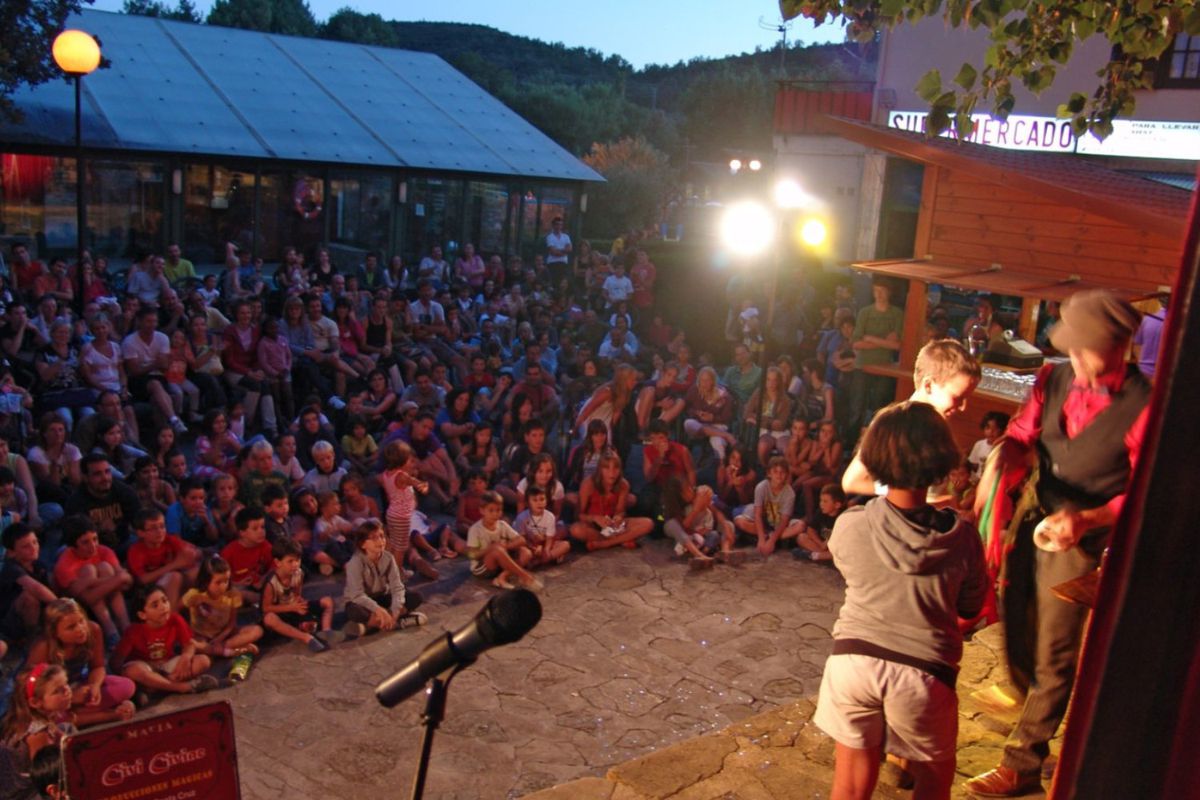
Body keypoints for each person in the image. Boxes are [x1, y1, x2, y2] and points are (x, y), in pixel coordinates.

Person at [965, 291, 1150, 797]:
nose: (1078, 359)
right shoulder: (1054, 378)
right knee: (1015, 609)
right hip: (1037, 511)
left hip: (1085, 538)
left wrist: (1089, 519)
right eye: (1073, 348)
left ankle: (1024, 761)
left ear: (1118, 347)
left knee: (1057, 648)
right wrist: (1003, 460)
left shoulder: (1143, 406)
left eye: (1087, 350)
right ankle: (1029, 695)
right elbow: (1023, 434)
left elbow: (1145, 492)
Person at [815, 401, 987, 800]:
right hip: (924, 674)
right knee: (934, 779)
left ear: (874, 456)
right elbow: (971, 606)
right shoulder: (961, 538)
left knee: (849, 786)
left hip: (853, 663)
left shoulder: (850, 525)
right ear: (940, 457)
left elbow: (852, 569)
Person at [842, 339, 982, 497]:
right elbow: (852, 482)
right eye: (957, 397)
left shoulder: (938, 424)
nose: (963, 407)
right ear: (929, 385)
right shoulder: (894, 425)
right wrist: (908, 496)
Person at [27, 598, 136, 726]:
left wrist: (94, 686)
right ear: (55, 633)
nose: (81, 628)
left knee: (126, 686)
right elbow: (34, 691)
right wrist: (70, 697)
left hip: (80, 685)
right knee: (49, 716)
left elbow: (97, 667)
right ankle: (112, 714)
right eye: (71, 627)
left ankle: (76, 716)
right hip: (53, 695)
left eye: (81, 621)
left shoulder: (93, 630)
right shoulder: (43, 648)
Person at [111, 585, 219, 695]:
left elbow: (189, 644)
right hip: (145, 668)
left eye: (165, 601)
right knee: (132, 671)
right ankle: (182, 687)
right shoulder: (133, 631)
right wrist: (126, 677)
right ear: (142, 615)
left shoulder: (175, 619)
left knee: (203, 661)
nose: (163, 607)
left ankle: (155, 688)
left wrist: (186, 658)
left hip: (166, 665)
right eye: (155, 605)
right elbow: (116, 663)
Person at [342, 518, 427, 639]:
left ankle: (371, 626)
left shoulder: (388, 558)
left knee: (415, 597)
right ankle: (397, 623)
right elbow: (357, 595)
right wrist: (378, 610)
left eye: (382, 536)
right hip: (361, 602)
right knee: (355, 611)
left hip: (381, 596)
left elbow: (397, 587)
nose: (380, 541)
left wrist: (395, 610)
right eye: (374, 538)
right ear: (363, 544)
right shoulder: (355, 563)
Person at [51, 516, 132, 642]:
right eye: (85, 542)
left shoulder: (104, 551)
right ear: (73, 545)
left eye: (95, 539)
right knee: (89, 570)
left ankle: (126, 627)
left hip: (108, 599)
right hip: (80, 608)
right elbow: (84, 598)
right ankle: (111, 631)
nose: (93, 546)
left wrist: (97, 582)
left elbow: (127, 583)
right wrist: (116, 579)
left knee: (104, 567)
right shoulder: (64, 563)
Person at [843, 278, 904, 443]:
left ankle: (873, 443)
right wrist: (884, 341)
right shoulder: (865, 312)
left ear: (889, 292)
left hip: (884, 366)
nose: (879, 294)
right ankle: (851, 443)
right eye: (876, 290)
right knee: (857, 406)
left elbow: (897, 345)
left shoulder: (896, 314)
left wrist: (870, 338)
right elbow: (856, 343)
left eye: (882, 290)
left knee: (879, 406)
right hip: (862, 365)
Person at [180, 555, 263, 659]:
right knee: (193, 645)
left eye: (226, 581)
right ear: (206, 581)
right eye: (218, 582)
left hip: (224, 634)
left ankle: (218, 650)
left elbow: (231, 624)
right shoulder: (194, 595)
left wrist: (219, 639)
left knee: (257, 630)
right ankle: (231, 651)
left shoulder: (233, 594)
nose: (223, 586)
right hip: (201, 636)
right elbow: (176, 613)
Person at [570, 450, 654, 551]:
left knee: (648, 523)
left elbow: (620, 512)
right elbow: (578, 515)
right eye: (607, 468)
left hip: (613, 526)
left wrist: (618, 517)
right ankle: (621, 540)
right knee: (576, 530)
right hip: (593, 526)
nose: (612, 473)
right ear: (600, 469)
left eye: (616, 468)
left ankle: (605, 543)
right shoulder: (588, 484)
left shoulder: (623, 484)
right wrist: (595, 518)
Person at [261, 536, 332, 653]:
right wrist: (291, 607)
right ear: (278, 562)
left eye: (298, 560)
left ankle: (326, 631)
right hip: (280, 612)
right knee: (270, 619)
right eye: (290, 561)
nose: (295, 564)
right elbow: (266, 608)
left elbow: (297, 594)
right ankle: (306, 637)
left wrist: (300, 603)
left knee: (327, 601)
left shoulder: (299, 573)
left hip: (293, 608)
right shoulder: (271, 582)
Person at [121, 306, 186, 434]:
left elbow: (164, 365)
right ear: (139, 321)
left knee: (158, 399)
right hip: (137, 381)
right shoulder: (129, 342)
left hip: (159, 376)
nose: (152, 325)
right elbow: (134, 370)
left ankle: (164, 434)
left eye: (154, 321)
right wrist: (154, 364)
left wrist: (149, 365)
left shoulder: (162, 338)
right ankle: (174, 420)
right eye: (148, 321)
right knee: (155, 384)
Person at [0, 664, 75, 770]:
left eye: (66, 683)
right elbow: (44, 773)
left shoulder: (47, 719)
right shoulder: (39, 734)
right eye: (57, 691)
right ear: (35, 702)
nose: (67, 691)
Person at [125, 508, 200, 611]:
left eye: (162, 526)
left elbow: (192, 552)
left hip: (173, 582)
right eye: (153, 528)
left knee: (199, 571)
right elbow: (143, 580)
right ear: (141, 533)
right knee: (175, 576)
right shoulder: (136, 550)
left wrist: (191, 553)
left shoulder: (168, 539)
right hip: (150, 591)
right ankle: (171, 615)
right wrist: (175, 564)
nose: (159, 531)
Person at [64, 454, 140, 551]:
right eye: (97, 474)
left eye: (107, 472)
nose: (105, 478)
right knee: (63, 550)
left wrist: (117, 526)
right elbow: (72, 536)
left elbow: (139, 522)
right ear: (85, 478)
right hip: (91, 549)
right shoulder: (76, 502)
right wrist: (97, 529)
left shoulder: (125, 492)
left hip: (124, 542)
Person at [467, 490, 540, 591]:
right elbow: (472, 555)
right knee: (496, 550)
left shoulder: (502, 525)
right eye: (491, 511)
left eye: (498, 510)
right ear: (482, 511)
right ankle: (525, 577)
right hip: (483, 566)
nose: (495, 514)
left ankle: (502, 577)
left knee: (526, 552)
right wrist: (491, 548)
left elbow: (521, 540)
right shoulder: (475, 530)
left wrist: (506, 546)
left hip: (501, 564)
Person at [734, 456, 805, 556]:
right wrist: (761, 539)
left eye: (782, 472)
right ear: (769, 473)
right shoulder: (761, 487)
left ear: (787, 474)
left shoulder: (790, 493)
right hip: (764, 524)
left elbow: (784, 520)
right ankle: (765, 536)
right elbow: (757, 514)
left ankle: (771, 537)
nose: (779, 475)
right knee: (739, 521)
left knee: (800, 526)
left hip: (779, 525)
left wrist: (772, 541)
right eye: (775, 472)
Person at [0, 524, 56, 647]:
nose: (33, 548)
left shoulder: (38, 565)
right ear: (11, 552)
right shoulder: (11, 568)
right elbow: (36, 588)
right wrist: (62, 605)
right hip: (9, 624)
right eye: (26, 546)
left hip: (35, 618)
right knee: (29, 598)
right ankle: (32, 643)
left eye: (35, 542)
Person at [662, 478, 734, 568]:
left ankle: (725, 552)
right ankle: (698, 555)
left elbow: (716, 512)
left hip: (701, 532)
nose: (691, 490)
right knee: (673, 525)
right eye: (686, 491)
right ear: (679, 496)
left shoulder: (698, 493)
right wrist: (696, 509)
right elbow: (683, 527)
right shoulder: (674, 507)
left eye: (690, 487)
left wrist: (726, 526)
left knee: (729, 525)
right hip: (684, 532)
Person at [219, 507, 273, 605]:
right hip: (237, 588)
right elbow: (219, 580)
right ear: (242, 533)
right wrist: (237, 583)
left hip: (261, 586)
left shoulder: (265, 545)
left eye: (262, 527)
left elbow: (276, 566)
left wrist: (263, 579)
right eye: (255, 529)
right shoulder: (228, 553)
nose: (261, 531)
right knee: (238, 593)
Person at [793, 483, 847, 563]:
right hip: (821, 546)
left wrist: (828, 543)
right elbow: (810, 530)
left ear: (837, 505)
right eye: (821, 500)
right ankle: (821, 556)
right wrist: (821, 544)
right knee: (801, 537)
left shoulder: (843, 517)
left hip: (833, 547)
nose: (821, 504)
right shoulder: (821, 512)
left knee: (842, 551)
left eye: (825, 501)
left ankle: (815, 555)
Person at [166, 477, 221, 549]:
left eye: (201, 498)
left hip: (200, 544)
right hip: (183, 547)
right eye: (193, 498)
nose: (198, 502)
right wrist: (199, 550)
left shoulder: (205, 510)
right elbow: (176, 541)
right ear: (182, 499)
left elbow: (214, 538)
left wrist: (206, 521)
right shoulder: (174, 511)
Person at [967, 411, 1009, 481]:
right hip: (978, 480)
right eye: (987, 428)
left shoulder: (1004, 448)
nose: (991, 432)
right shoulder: (979, 444)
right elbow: (973, 465)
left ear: (1003, 430)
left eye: (996, 429)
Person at [544, 217, 573, 284]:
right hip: (552, 263)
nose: (559, 226)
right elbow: (553, 252)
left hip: (563, 263)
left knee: (563, 283)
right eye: (557, 224)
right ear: (553, 225)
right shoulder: (550, 237)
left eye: (560, 224)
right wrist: (564, 251)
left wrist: (558, 250)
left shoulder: (566, 236)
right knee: (554, 283)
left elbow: (569, 249)